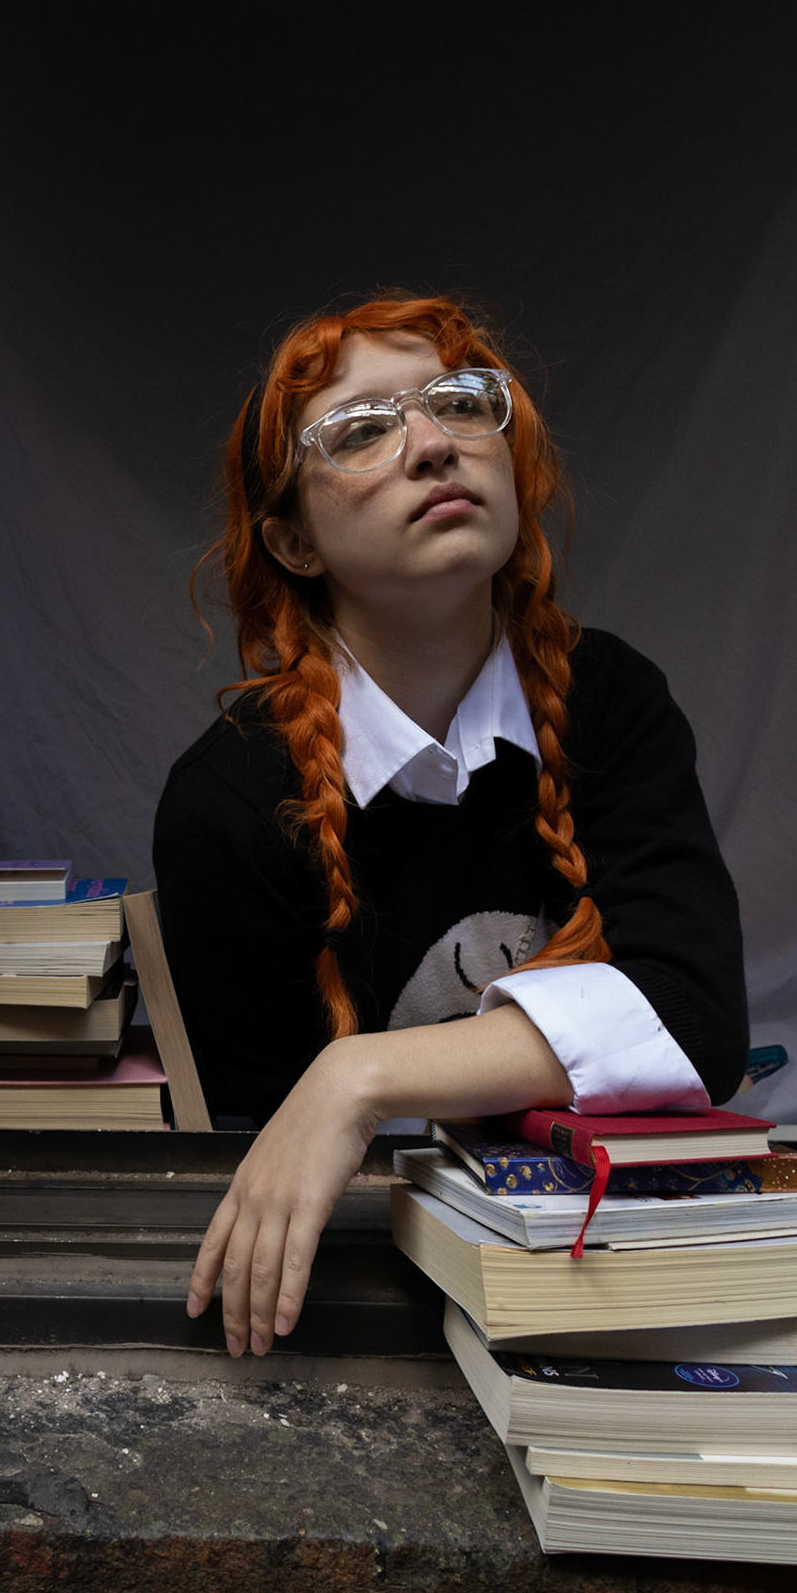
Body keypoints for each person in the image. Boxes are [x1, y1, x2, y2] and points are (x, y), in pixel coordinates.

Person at [154, 295, 748, 1358]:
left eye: (461, 405)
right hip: (359, 1312)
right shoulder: (229, 801)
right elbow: (263, 1169)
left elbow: (695, 1021)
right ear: (293, 542)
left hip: (602, 1275)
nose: (433, 444)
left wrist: (359, 1075)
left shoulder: (611, 702)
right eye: (361, 430)